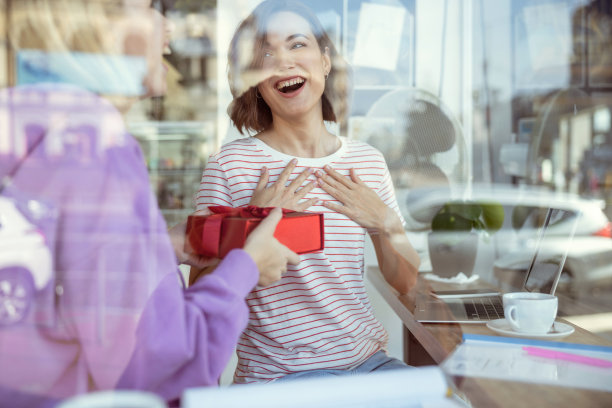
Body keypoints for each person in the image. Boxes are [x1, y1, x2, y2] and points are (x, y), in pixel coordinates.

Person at [0, 0, 299, 406]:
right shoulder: (94, 146)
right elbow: (149, 364)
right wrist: (247, 268)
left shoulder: (23, 128)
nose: (169, 28)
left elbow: (53, 272)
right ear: (99, 26)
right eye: (150, 7)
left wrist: (160, 245)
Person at [196, 0, 420, 384]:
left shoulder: (367, 161)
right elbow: (200, 297)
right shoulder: (230, 166)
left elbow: (406, 284)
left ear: (326, 60)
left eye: (297, 44)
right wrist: (250, 225)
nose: (284, 61)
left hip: (370, 364)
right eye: (266, 53)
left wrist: (385, 224)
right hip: (280, 377)